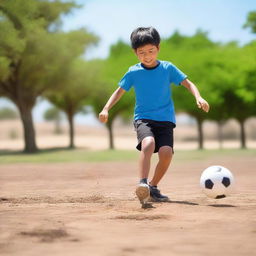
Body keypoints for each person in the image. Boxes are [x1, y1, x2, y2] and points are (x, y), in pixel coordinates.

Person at [98, 27, 209, 207]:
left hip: (165, 119)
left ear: (158, 48)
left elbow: (188, 83)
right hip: (144, 118)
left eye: (151, 51)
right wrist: (105, 109)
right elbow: (119, 92)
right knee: (148, 143)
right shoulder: (133, 72)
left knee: (166, 154)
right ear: (135, 52)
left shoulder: (168, 68)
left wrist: (199, 97)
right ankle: (142, 183)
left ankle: (153, 187)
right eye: (141, 52)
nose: (147, 56)